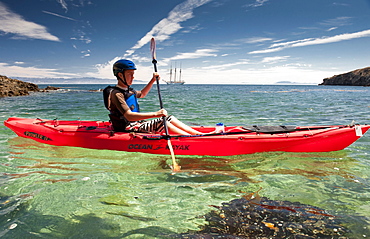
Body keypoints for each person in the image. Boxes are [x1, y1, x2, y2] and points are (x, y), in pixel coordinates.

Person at [103, 59, 202, 135]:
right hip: (127, 128)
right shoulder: (116, 94)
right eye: (130, 74)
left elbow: (142, 94)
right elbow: (129, 116)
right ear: (120, 75)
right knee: (161, 122)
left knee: (169, 118)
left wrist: (153, 80)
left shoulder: (129, 91)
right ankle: (190, 139)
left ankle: (198, 134)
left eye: (133, 74)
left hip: (137, 124)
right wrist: (156, 114)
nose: (133, 77)